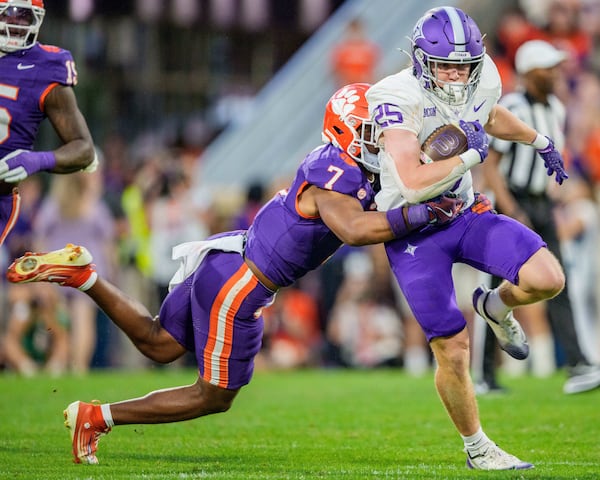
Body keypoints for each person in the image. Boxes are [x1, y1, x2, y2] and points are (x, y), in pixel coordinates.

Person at [6, 83, 464, 465]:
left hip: (227, 258)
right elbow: (357, 228)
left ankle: (85, 276)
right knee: (214, 395)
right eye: (372, 130)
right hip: (243, 281)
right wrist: (426, 213)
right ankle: (96, 416)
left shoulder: (351, 165)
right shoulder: (335, 171)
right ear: (344, 131)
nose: (381, 138)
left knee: (158, 342)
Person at [366, 6, 570, 470]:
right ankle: (478, 447)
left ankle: (494, 305)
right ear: (420, 60)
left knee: (547, 277)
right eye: (447, 64)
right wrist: (468, 157)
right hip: (413, 226)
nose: (458, 74)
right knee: (452, 348)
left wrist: (538, 141)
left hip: (464, 211)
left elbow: (489, 114)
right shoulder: (395, 94)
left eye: (465, 64)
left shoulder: (483, 78)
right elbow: (413, 180)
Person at [478, 39, 600, 393]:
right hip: (511, 201)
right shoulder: (512, 106)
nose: (555, 72)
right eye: (548, 67)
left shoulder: (557, 109)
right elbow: (494, 167)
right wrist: (511, 208)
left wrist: (551, 198)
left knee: (559, 282)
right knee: (494, 285)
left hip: (541, 203)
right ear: (530, 72)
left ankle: (578, 364)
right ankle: (486, 375)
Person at [0, 0, 97, 247]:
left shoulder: (46, 66)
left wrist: (35, 160)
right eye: (9, 15)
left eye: (23, 17)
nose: (15, 24)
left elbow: (84, 149)